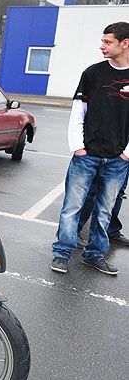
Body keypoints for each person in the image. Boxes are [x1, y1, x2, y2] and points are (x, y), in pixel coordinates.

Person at [51, 21, 129, 275]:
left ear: (125, 43)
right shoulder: (93, 73)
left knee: (104, 211)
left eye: (108, 42)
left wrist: (126, 154)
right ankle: (62, 253)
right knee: (72, 207)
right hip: (87, 156)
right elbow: (78, 112)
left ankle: (94, 255)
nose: (102, 46)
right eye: (102, 41)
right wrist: (78, 147)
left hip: (117, 160)